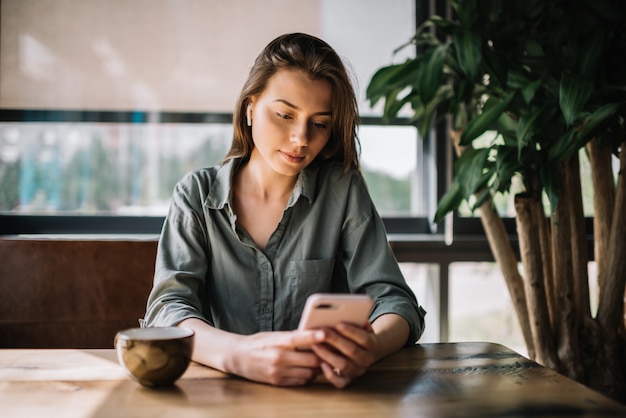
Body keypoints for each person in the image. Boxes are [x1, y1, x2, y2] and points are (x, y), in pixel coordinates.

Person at [143, 32, 426, 389]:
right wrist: (237, 354)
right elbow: (168, 308)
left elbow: (394, 302)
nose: (301, 138)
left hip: (324, 398)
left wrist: (371, 346)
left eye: (319, 123)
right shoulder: (195, 196)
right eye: (284, 115)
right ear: (250, 107)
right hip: (218, 397)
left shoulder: (342, 190)